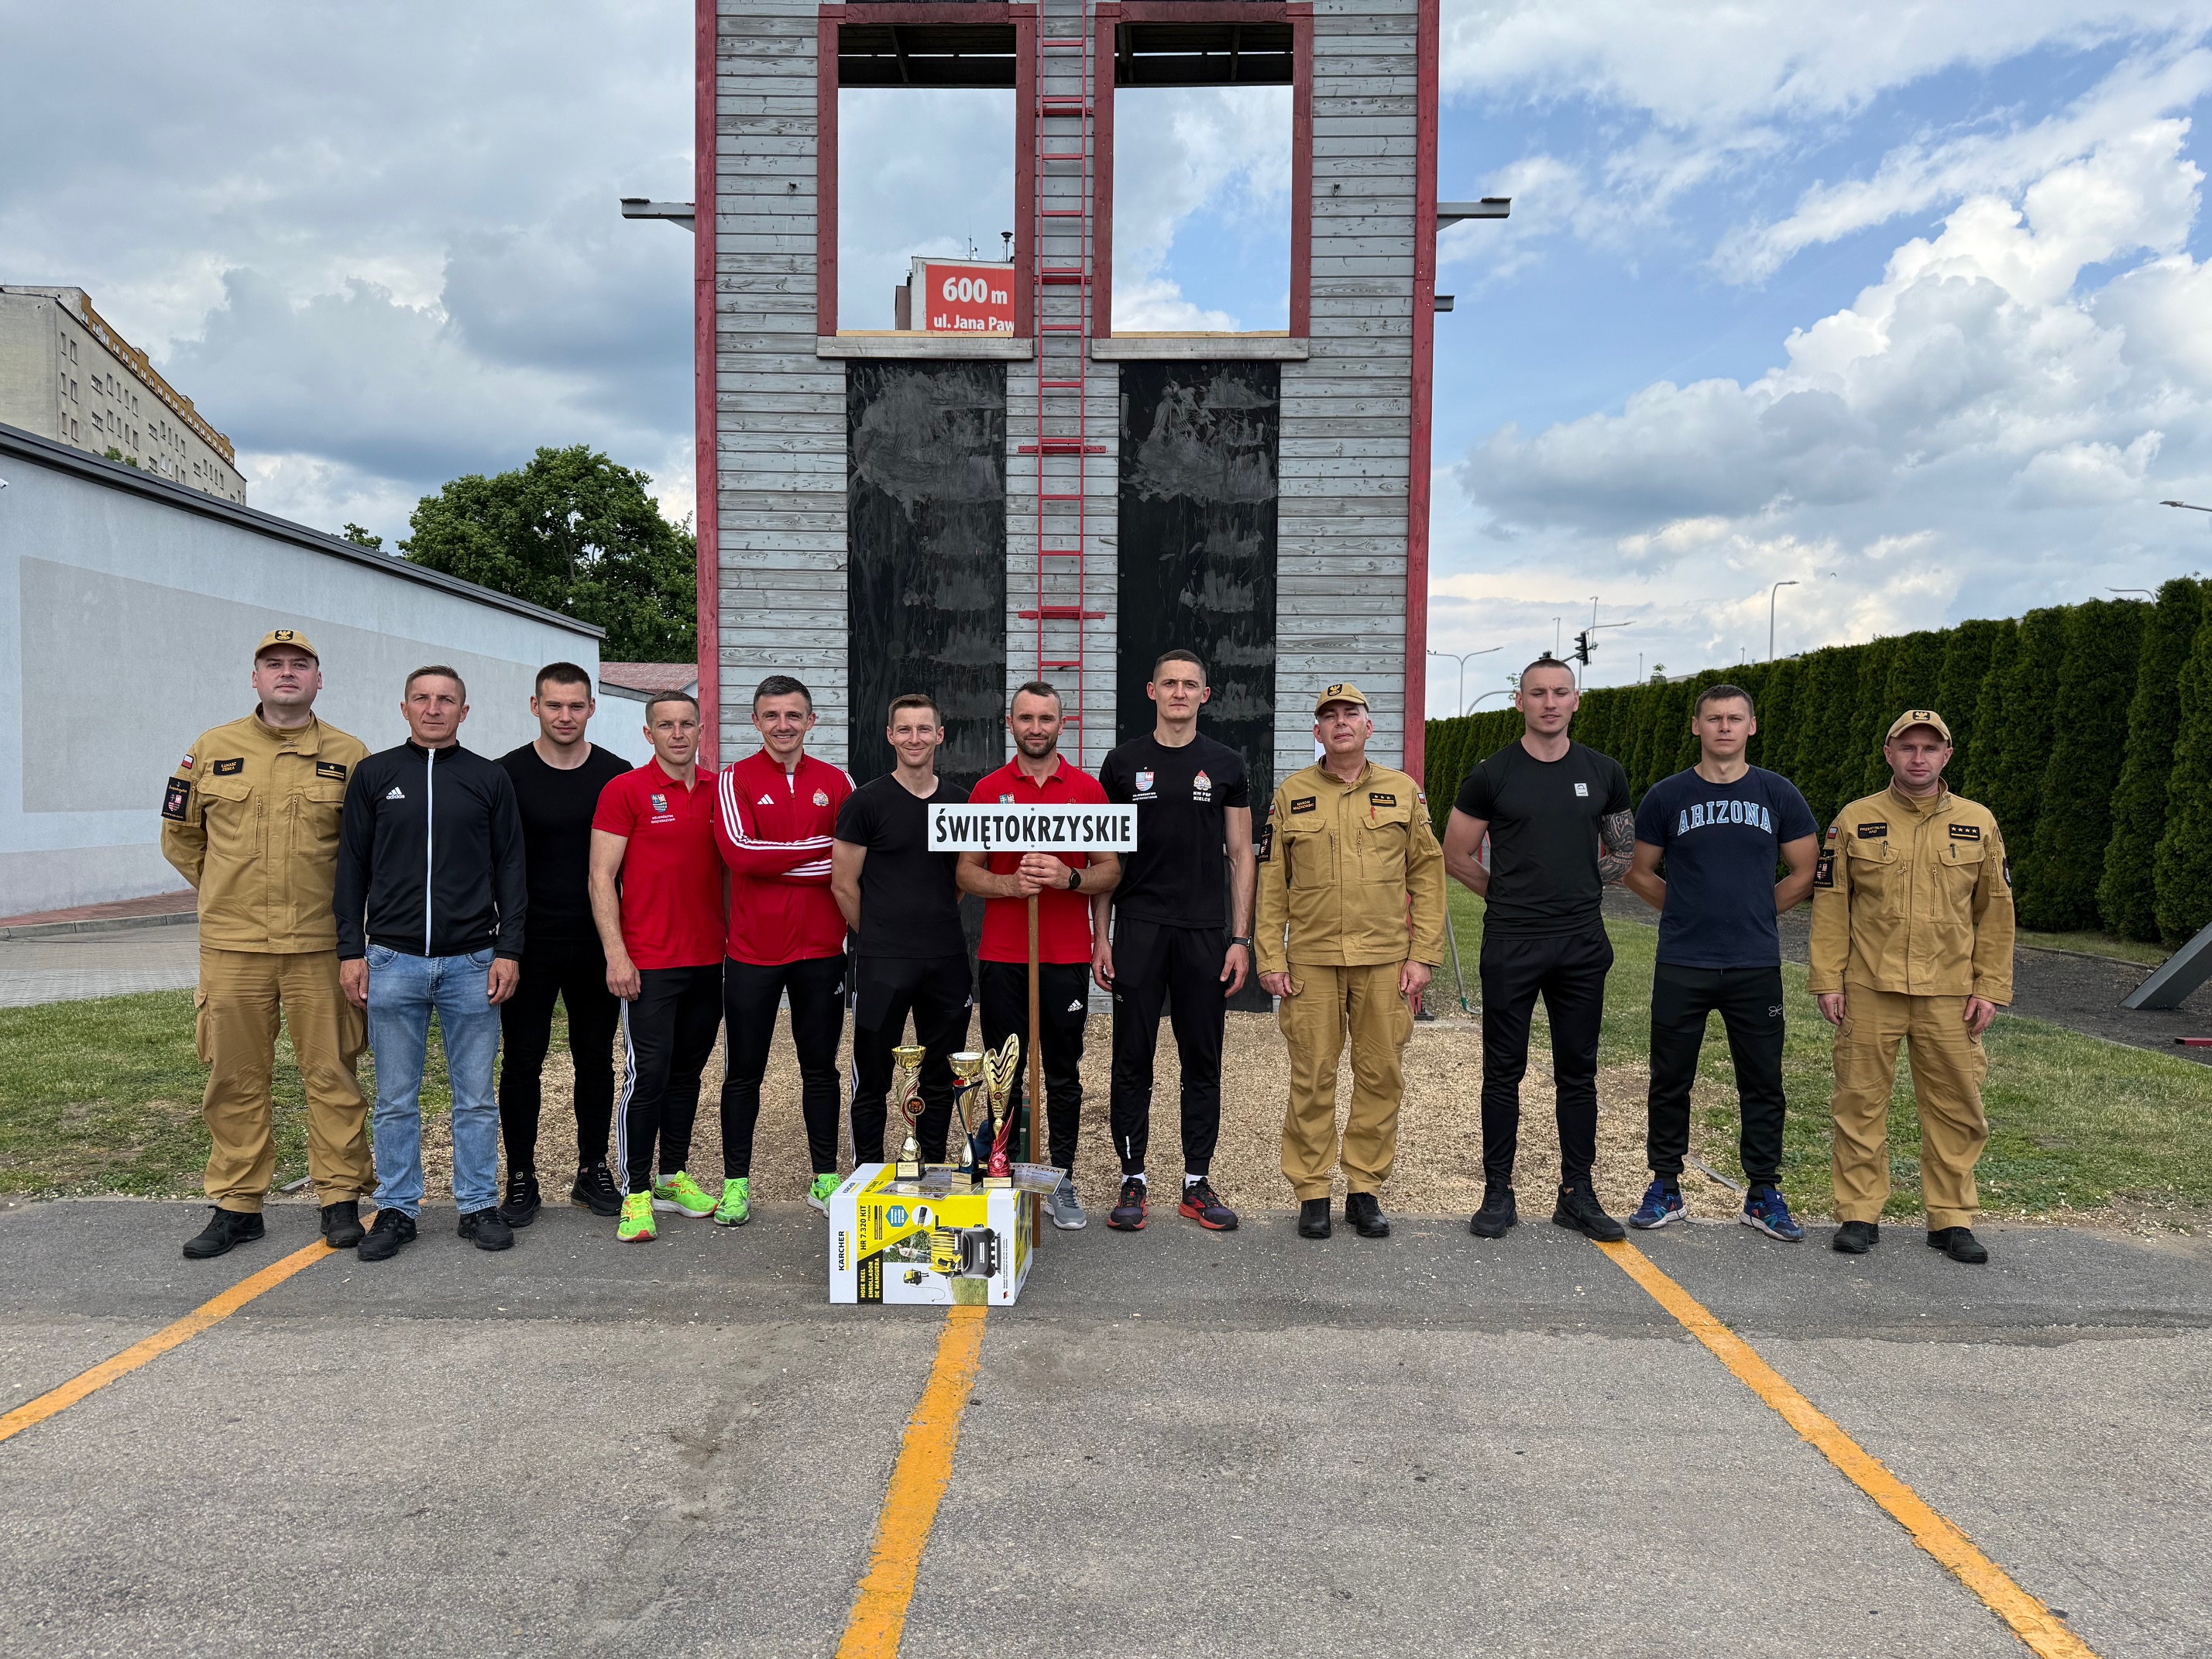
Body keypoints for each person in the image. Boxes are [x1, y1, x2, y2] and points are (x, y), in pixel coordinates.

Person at [161, 629, 374, 1259]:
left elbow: (368, 850)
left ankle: (340, 1197)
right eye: (273, 664)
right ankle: (237, 1204)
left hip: (319, 945)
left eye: (299, 665)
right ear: (254, 678)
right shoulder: (211, 749)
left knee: (332, 1073)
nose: (287, 673)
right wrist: (225, 890)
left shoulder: (350, 755)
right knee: (234, 1077)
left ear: (317, 680)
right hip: (233, 947)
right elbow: (180, 836)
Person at [336, 666, 527, 1262]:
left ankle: (478, 1205)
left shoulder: (488, 778)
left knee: (475, 1097)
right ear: (405, 708)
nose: (433, 708)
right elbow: (351, 867)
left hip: (472, 961)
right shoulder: (375, 775)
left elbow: (512, 867)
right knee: (396, 1098)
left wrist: (509, 949)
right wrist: (351, 950)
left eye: (446, 700)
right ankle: (397, 1209)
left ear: (463, 712)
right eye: (422, 698)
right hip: (392, 960)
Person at [1810, 710, 2014, 1264]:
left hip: (1950, 992)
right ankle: (1859, 1213)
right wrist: (1828, 979)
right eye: (1907, 747)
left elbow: (1997, 911)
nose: (1918, 757)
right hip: (1869, 987)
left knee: (1957, 1108)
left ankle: (1951, 1219)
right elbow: (1831, 905)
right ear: (1889, 753)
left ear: (1947, 755)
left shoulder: (1977, 822)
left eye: (1929, 748)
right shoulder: (1855, 819)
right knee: (1858, 1103)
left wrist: (1990, 987)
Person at [1442, 656, 1634, 1243]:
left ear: (1576, 700)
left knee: (1579, 1072)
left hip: (1581, 943)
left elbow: (1624, 853)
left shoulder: (1604, 771)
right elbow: (1455, 854)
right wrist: (1509, 897)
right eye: (1538, 693)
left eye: (1560, 692)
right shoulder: (1491, 774)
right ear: (1519, 701)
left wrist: (1577, 889)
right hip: (1512, 942)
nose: (1550, 703)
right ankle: (1498, 1192)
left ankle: (1577, 1194)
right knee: (1503, 1072)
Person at [1623, 684, 1819, 1241]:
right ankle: (1666, 1186)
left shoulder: (1777, 793)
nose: (1725, 727)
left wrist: (1757, 910)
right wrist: (1687, 909)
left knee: (1762, 1082)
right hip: (1684, 960)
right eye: (1714, 719)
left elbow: (1806, 871)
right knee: (1670, 1079)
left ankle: (1762, 1194)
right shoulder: (1668, 796)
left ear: (1751, 726)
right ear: (1697, 727)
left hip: (1754, 963)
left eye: (1735, 718)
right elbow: (1638, 871)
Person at [1255, 683, 1445, 1241]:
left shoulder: (1402, 792)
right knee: (1312, 1076)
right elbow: (1272, 885)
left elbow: (1427, 876)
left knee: (1381, 1075)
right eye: (1330, 716)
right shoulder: (1292, 794)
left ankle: (1364, 1189)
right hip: (1312, 961)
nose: (1341, 723)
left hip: (1384, 960)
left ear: (1368, 726)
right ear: (1317, 731)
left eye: (1351, 714)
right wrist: (1270, 956)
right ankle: (1312, 1192)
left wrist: (1423, 955)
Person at [1095, 647, 1253, 1232]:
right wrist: (1101, 937)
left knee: (1202, 1061)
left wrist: (1240, 938)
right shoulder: (1122, 763)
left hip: (1204, 933)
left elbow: (1242, 855)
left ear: (1204, 696)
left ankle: (1195, 1183)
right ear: (1152, 691)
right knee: (1132, 1058)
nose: (1180, 693)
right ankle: (1132, 1179)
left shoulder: (1227, 764)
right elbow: (1106, 858)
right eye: (1170, 683)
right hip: (1138, 928)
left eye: (1190, 684)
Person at [957, 682, 1120, 1231]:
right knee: (1003, 1071)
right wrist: (1010, 886)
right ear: (1011, 723)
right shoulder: (988, 790)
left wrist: (1068, 877)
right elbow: (966, 871)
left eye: (1045, 718)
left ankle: (1061, 1176)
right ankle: (1000, 1167)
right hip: (1004, 954)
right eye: (1025, 718)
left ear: (1061, 724)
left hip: (1064, 953)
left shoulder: (1087, 790)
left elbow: (1109, 871)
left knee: (1063, 1073)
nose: (1035, 728)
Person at [495, 663, 632, 1225]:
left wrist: (623, 945)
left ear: (592, 708)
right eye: (554, 705)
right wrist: (503, 942)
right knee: (522, 1062)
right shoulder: (506, 774)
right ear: (536, 707)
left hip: (595, 941)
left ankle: (592, 1169)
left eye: (576, 706)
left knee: (595, 1061)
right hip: (528, 942)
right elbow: (494, 863)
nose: (565, 716)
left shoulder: (615, 775)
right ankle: (520, 1176)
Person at [714, 674, 853, 1224]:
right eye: (771, 715)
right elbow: (741, 854)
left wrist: (779, 858)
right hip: (753, 952)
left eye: (793, 715)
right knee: (743, 1072)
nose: (783, 725)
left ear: (811, 721)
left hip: (821, 951)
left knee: (820, 1069)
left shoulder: (838, 781)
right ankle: (735, 1184)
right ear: (755, 721)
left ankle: (825, 1178)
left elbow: (852, 859)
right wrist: (820, 852)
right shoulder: (736, 779)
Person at [589, 692, 726, 1244]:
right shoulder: (625, 790)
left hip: (709, 959)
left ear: (701, 730)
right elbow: (601, 878)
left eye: (687, 724)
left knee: (688, 1075)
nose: (677, 733)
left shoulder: (720, 789)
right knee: (647, 1076)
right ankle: (636, 1192)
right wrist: (616, 954)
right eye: (665, 725)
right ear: (648, 734)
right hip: (649, 961)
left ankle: (671, 1178)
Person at [833, 693, 974, 1170]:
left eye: (924, 729)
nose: (915, 738)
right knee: (873, 1078)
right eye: (905, 729)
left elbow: (960, 881)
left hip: (945, 959)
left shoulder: (960, 802)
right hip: (882, 962)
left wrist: (928, 920)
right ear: (890, 736)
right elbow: (843, 884)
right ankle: (869, 1172)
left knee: (941, 1076)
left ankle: (932, 1169)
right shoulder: (866, 802)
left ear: (940, 736)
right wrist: (881, 933)